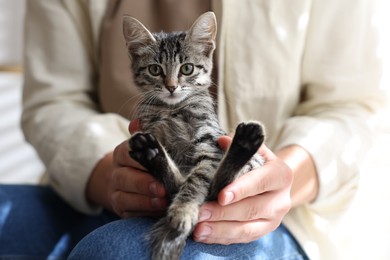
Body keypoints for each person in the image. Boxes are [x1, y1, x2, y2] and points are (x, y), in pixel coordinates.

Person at [0, 0, 385, 259]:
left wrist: (289, 177)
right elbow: (53, 100)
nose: (170, 84)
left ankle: (233, 166)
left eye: (182, 71)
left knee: (117, 250)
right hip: (97, 194)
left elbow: (356, 106)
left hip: (275, 214)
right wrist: (105, 173)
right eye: (157, 71)